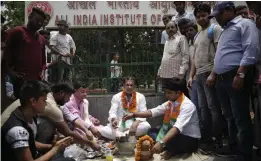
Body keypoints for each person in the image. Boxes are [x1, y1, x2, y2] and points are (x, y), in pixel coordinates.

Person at [209, 1, 260, 161]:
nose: (216, 19)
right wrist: (215, 74)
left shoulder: (244, 24)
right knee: (229, 116)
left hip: (236, 76)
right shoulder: (225, 31)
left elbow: (251, 48)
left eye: (218, 15)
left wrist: (241, 74)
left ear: (229, 10)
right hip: (222, 79)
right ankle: (234, 148)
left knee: (240, 116)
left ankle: (244, 154)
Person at [1, 83, 100, 151]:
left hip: (10, 135)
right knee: (49, 122)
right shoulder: (49, 106)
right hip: (8, 140)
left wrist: (51, 146)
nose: (69, 99)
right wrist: (90, 143)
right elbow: (68, 131)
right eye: (69, 96)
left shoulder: (44, 101)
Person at [123, 78, 201, 160]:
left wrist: (162, 142)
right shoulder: (170, 102)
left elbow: (176, 128)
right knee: (151, 132)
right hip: (175, 134)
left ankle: (169, 150)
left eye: (169, 93)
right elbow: (153, 112)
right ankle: (166, 148)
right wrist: (134, 114)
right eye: (166, 92)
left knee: (168, 140)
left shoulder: (187, 105)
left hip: (189, 139)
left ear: (178, 92)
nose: (166, 95)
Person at [1, 80, 74, 161]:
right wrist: (55, 149)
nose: (46, 104)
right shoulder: (17, 130)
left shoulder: (29, 116)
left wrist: (51, 146)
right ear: (33, 101)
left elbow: (30, 143)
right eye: (44, 100)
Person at [189, 3, 224, 148]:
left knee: (213, 107)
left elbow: (220, 52)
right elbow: (195, 59)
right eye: (198, 16)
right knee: (203, 107)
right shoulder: (198, 35)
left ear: (209, 14)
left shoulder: (214, 29)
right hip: (200, 75)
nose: (201, 19)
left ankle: (218, 138)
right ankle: (207, 138)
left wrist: (214, 74)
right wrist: (192, 76)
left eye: (203, 15)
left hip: (210, 72)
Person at [3, 7, 47, 99]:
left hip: (36, 80)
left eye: (41, 22)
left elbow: (43, 59)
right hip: (21, 81)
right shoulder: (18, 31)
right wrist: (10, 71)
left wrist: (42, 71)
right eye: (37, 20)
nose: (39, 24)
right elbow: (5, 52)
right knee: (21, 105)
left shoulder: (41, 39)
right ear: (30, 17)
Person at [157, 21, 189, 97]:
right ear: (166, 31)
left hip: (176, 76)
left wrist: (181, 73)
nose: (170, 29)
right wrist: (159, 72)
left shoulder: (181, 38)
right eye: (168, 28)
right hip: (165, 76)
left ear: (176, 28)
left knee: (180, 98)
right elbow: (164, 57)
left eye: (172, 27)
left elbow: (185, 56)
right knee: (169, 98)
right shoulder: (167, 41)